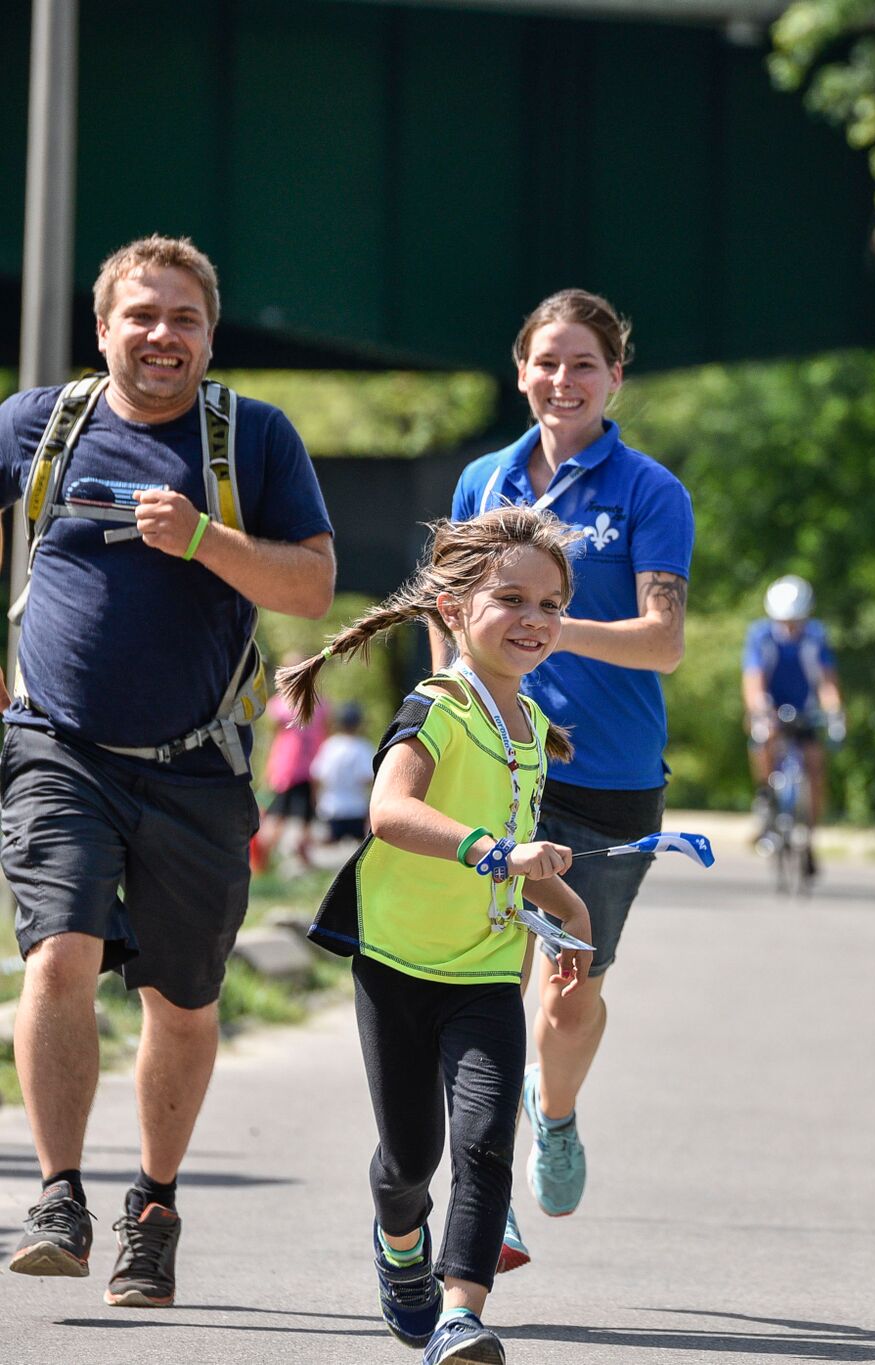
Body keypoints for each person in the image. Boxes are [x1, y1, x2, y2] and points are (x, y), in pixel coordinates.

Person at [0, 235, 334, 1306]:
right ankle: (57, 1194)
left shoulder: (255, 440)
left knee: (181, 1001)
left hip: (198, 764)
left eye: (182, 318)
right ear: (103, 330)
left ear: (208, 334)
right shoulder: (38, 425)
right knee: (57, 957)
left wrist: (204, 542)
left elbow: (313, 589)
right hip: (57, 744)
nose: (161, 335)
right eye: (141, 315)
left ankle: (152, 1204)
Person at [285, 504, 592, 1365]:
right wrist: (495, 852)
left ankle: (462, 1313)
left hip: (489, 971)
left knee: (487, 1136)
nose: (534, 619)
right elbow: (389, 812)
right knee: (410, 1159)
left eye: (551, 604)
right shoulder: (439, 706)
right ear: (454, 609)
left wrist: (571, 913)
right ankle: (398, 1237)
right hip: (396, 963)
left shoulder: (531, 728)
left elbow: (518, 842)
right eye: (512, 599)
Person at [440, 288, 692, 1266]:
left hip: (609, 781)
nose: (562, 381)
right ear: (520, 370)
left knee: (566, 990)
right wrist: (440, 715)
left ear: (614, 378)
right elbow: (442, 613)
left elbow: (662, 641)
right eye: (546, 362)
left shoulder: (646, 492)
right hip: (497, 765)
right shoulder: (481, 483)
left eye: (583, 364)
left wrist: (537, 624)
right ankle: (484, 1185)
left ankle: (555, 1113)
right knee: (478, 981)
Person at [743, 574, 846, 853]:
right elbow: (754, 680)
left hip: (805, 712)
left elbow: (826, 681)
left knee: (814, 762)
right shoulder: (760, 635)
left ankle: (810, 833)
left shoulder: (816, 636)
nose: (790, 627)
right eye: (784, 620)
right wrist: (760, 709)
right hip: (771, 708)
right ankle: (765, 796)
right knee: (765, 738)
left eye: (795, 620)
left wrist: (835, 712)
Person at [259, 663, 328, 872]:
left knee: (302, 817)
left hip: (301, 769)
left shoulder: (315, 704)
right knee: (281, 817)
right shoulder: (285, 705)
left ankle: (301, 860)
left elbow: (325, 733)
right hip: (293, 770)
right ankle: (261, 860)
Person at [312, 701, 375, 845]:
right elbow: (367, 778)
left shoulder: (329, 745)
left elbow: (317, 775)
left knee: (328, 846)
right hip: (356, 808)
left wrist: (315, 800)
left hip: (331, 808)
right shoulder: (362, 747)